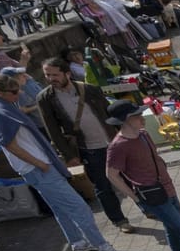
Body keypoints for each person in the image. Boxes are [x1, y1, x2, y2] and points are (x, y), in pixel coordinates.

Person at [0, 69, 122, 251]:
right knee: (79, 208)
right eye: (14, 92)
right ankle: (102, 245)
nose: (19, 94)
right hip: (37, 169)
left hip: (36, 168)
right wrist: (41, 164)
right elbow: (9, 144)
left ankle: (78, 243)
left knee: (61, 208)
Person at [101, 101, 180, 251]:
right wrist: (136, 197)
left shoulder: (144, 134)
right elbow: (111, 174)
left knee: (173, 231)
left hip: (167, 189)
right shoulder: (118, 146)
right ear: (125, 120)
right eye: (136, 115)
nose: (142, 118)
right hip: (152, 197)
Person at [37, 58, 133, 235]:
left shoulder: (88, 89)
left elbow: (110, 112)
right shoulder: (45, 98)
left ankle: (148, 207)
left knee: (132, 177)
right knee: (103, 187)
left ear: (67, 73)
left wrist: (127, 135)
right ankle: (119, 220)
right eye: (47, 75)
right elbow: (53, 130)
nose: (51, 78)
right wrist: (68, 155)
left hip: (113, 142)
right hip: (89, 149)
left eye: (55, 74)